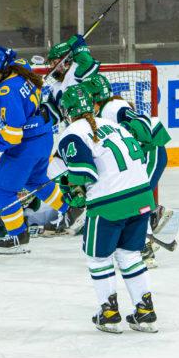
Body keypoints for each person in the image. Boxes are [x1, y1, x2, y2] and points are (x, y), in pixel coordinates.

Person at [53, 85, 158, 334]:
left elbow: (83, 173)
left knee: (98, 257)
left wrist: (72, 191)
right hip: (141, 194)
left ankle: (108, 312)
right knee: (130, 254)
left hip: (110, 201)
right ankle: (145, 311)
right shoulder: (113, 124)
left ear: (68, 111)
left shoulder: (72, 132)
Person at [0, 46, 71, 254]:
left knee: (3, 190)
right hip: (44, 136)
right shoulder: (21, 67)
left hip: (26, 145)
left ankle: (18, 236)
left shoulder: (6, 91)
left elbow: (13, 134)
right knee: (36, 180)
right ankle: (70, 208)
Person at [81, 73, 173, 265]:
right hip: (141, 156)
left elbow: (142, 123)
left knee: (137, 198)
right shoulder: (106, 110)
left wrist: (128, 131)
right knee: (135, 198)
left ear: (96, 98)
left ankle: (145, 249)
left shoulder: (113, 107)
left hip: (151, 153)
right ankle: (150, 221)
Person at [40, 33, 101, 126]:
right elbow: (54, 114)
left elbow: (88, 63)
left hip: (96, 126)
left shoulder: (75, 72)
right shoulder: (56, 88)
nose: (52, 67)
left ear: (67, 61)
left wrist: (80, 47)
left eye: (55, 62)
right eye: (51, 63)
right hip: (75, 129)